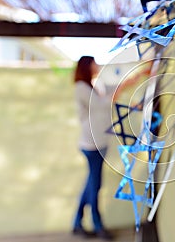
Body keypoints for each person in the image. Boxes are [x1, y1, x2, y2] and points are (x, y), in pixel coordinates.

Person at [72, 56, 113, 240]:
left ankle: (77, 223)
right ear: (87, 66)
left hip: (98, 142)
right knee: (94, 186)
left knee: (91, 184)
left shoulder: (92, 85)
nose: (97, 66)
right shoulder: (81, 87)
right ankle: (98, 226)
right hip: (92, 144)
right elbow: (101, 106)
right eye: (94, 63)